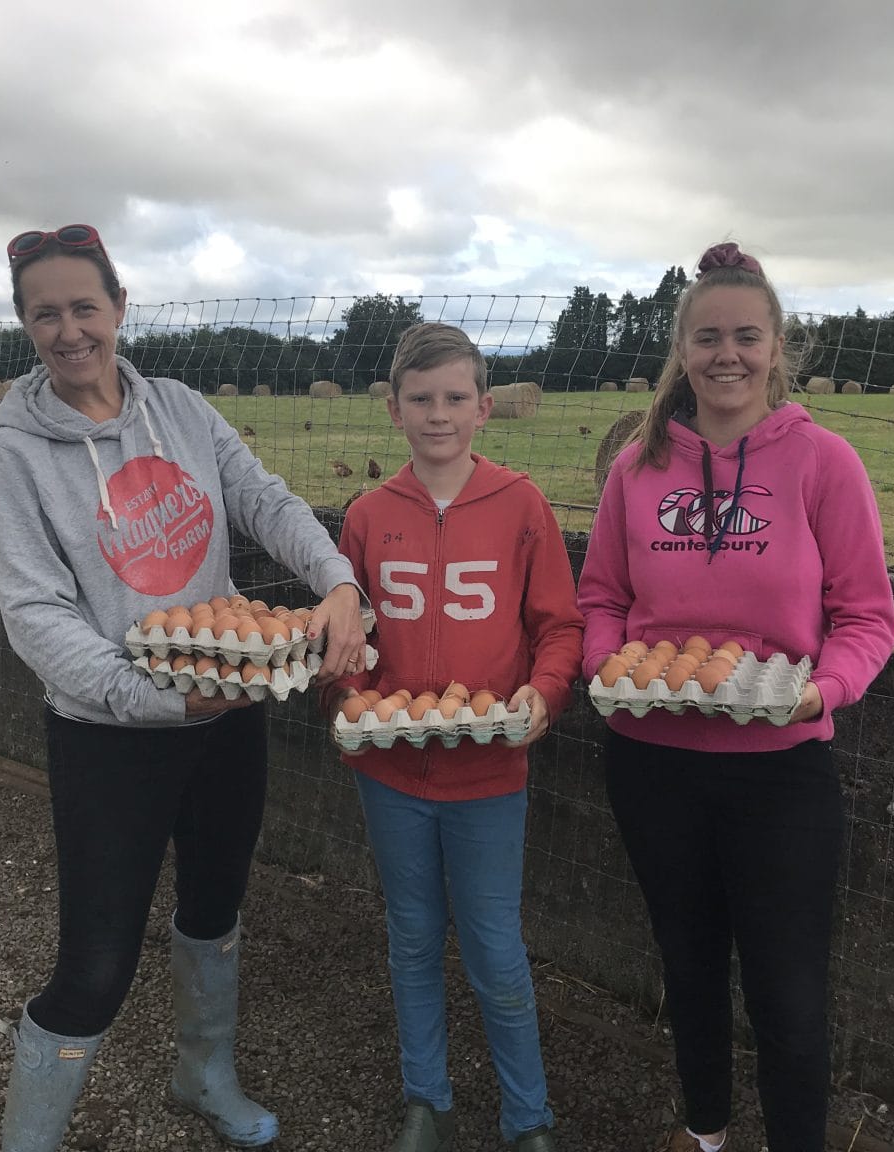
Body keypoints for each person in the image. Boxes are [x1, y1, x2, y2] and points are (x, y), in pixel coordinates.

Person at [0, 223, 367, 1151]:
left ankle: (204, 1075)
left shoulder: (184, 409)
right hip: (111, 734)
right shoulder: (15, 455)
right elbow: (35, 617)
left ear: (119, 307)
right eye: (46, 314)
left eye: (84, 307)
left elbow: (264, 499)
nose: (69, 330)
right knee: (98, 963)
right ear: (26, 326)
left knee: (215, 907)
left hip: (227, 714)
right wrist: (155, 700)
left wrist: (339, 579)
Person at [576, 243, 894, 1152]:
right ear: (681, 348)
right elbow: (599, 594)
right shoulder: (637, 468)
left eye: (746, 337)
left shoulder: (823, 463)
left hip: (780, 769)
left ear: (776, 345)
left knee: (788, 993)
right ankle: (706, 1133)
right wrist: (609, 664)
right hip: (652, 763)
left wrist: (821, 692)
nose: (728, 355)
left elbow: (868, 616)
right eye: (708, 336)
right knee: (688, 966)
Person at [327, 323, 584, 1152]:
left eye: (454, 398)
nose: (438, 414)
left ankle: (528, 1115)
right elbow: (348, 634)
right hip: (394, 775)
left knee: (497, 952)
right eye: (420, 399)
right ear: (395, 410)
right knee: (410, 937)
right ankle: (425, 1101)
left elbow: (559, 627)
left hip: (489, 772)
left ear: (483, 407)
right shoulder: (368, 514)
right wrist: (356, 702)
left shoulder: (522, 505)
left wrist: (544, 696)